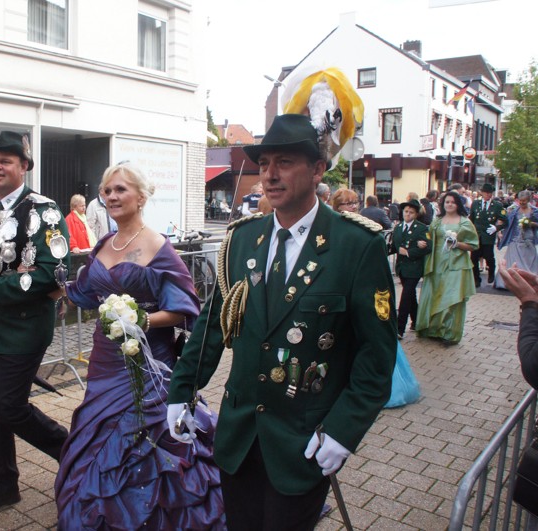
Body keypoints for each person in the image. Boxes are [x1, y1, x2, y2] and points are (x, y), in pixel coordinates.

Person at [167, 112, 396, 530]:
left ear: (317, 169)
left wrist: (344, 430)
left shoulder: (356, 245)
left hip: (303, 440)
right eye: (264, 163)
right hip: (239, 435)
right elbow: (213, 325)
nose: (270, 175)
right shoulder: (242, 239)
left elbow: (376, 356)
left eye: (285, 163)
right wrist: (182, 390)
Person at [54, 163, 225, 530]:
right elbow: (83, 293)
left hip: (149, 363)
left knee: (150, 435)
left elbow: (185, 309)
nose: (112, 196)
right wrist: (51, 284)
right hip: (105, 361)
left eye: (121, 189)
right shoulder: (104, 243)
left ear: (141, 197)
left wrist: (141, 320)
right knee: (96, 431)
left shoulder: (158, 247)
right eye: (107, 190)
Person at [0, 131, 71, 517]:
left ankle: (73, 452)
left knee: (9, 407)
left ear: (24, 166)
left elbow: (55, 272)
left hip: (24, 329)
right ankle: (2, 484)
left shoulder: (43, 210)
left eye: (5, 161)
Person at [415, 191, 479, 345]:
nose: (449, 205)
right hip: (436, 263)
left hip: (456, 264)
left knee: (452, 296)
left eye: (453, 202)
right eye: (447, 202)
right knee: (435, 294)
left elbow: (473, 245)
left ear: (458, 205)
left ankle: (449, 333)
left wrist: (457, 244)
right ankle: (433, 329)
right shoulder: (437, 221)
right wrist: (420, 243)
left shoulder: (465, 222)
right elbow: (429, 238)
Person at [389, 199, 432, 338]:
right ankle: (416, 320)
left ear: (416, 214)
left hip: (414, 268)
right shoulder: (398, 227)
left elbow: (429, 247)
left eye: (411, 212)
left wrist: (409, 252)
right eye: (406, 211)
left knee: (406, 297)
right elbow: (394, 246)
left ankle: (399, 328)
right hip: (401, 267)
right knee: (410, 295)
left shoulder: (422, 228)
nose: (407, 214)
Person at [494, 190, 538, 289]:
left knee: (529, 260)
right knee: (513, 260)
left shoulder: (534, 211)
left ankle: (528, 281)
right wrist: (500, 231)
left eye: (524, 201)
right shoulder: (514, 211)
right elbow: (507, 223)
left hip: (528, 239)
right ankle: (510, 282)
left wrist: (532, 224)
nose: (521, 202)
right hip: (515, 239)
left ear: (528, 200)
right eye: (520, 200)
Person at [470, 183, 509, 287]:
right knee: (474, 257)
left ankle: (491, 271)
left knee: (488, 256)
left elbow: (505, 221)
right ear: (482, 193)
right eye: (486, 192)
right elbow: (471, 219)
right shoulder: (475, 203)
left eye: (490, 193)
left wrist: (496, 228)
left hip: (488, 235)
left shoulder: (497, 205)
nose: (488, 195)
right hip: (477, 235)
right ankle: (476, 279)